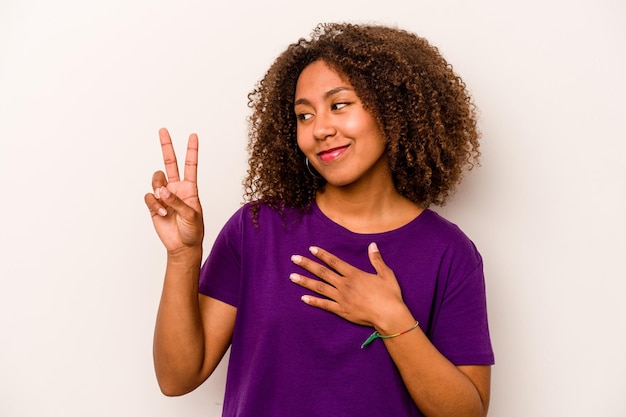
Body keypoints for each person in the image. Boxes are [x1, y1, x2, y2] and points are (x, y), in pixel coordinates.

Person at [145, 22, 494, 417]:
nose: (320, 129)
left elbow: (467, 412)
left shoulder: (448, 253)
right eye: (304, 115)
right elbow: (176, 378)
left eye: (339, 105)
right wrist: (183, 256)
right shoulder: (258, 229)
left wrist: (391, 316)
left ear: (393, 108)